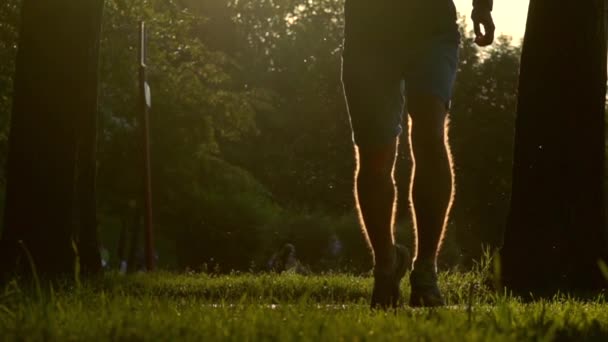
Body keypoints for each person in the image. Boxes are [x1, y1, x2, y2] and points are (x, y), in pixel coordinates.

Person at [341, 0, 494, 309]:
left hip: (431, 29)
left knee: (429, 134)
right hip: (367, 35)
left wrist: (482, 7)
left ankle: (425, 269)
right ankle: (386, 262)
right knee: (375, 158)